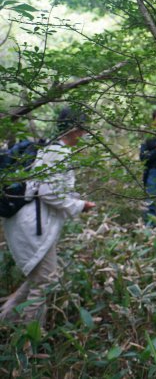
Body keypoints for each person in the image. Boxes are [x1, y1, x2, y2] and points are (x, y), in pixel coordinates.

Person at [0, 107, 96, 325]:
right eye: (82, 129)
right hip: (32, 224)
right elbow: (49, 192)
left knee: (40, 277)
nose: (83, 134)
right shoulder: (57, 152)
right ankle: (27, 343)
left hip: (33, 223)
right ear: (73, 129)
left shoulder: (50, 148)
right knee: (44, 280)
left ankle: (6, 320)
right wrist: (80, 205)